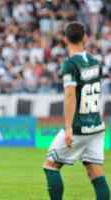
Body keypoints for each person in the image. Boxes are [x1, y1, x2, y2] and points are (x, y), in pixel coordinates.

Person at [43, 22, 110, 200]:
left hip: (79, 126)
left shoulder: (70, 65)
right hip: (96, 125)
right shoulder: (96, 62)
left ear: (65, 39)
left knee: (50, 165)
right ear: (85, 38)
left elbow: (70, 95)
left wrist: (68, 127)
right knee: (95, 172)